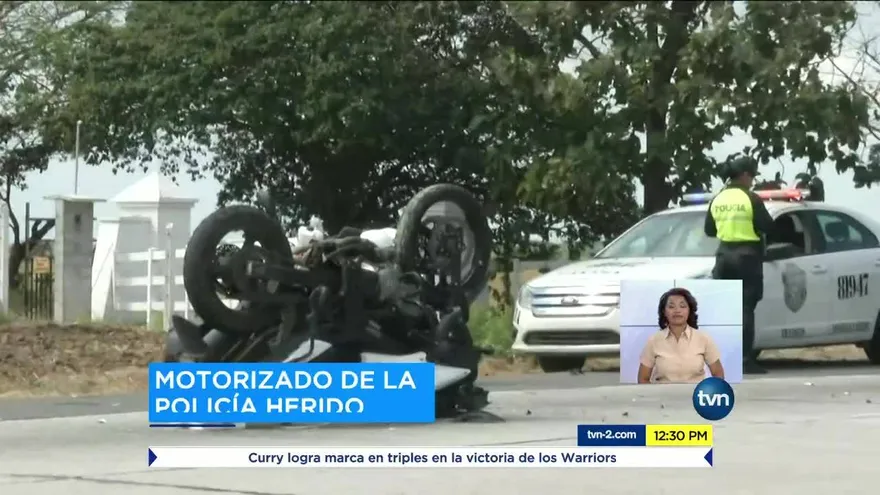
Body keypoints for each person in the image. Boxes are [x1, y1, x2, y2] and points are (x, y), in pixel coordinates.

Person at [703, 156, 774, 374]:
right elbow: (768, 226)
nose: (752, 180)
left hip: (724, 257)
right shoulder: (750, 198)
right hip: (747, 257)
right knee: (745, 310)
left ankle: (722, 359)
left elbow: (709, 230)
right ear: (744, 175)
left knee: (726, 311)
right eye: (752, 175)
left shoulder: (718, 198)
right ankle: (744, 360)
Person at [637, 288, 724, 384]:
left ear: (690, 311)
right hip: (662, 397)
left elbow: (718, 373)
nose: (677, 310)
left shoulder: (703, 338)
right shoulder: (654, 340)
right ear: (664, 312)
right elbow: (643, 378)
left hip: (695, 395)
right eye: (671, 306)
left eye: (682, 306)